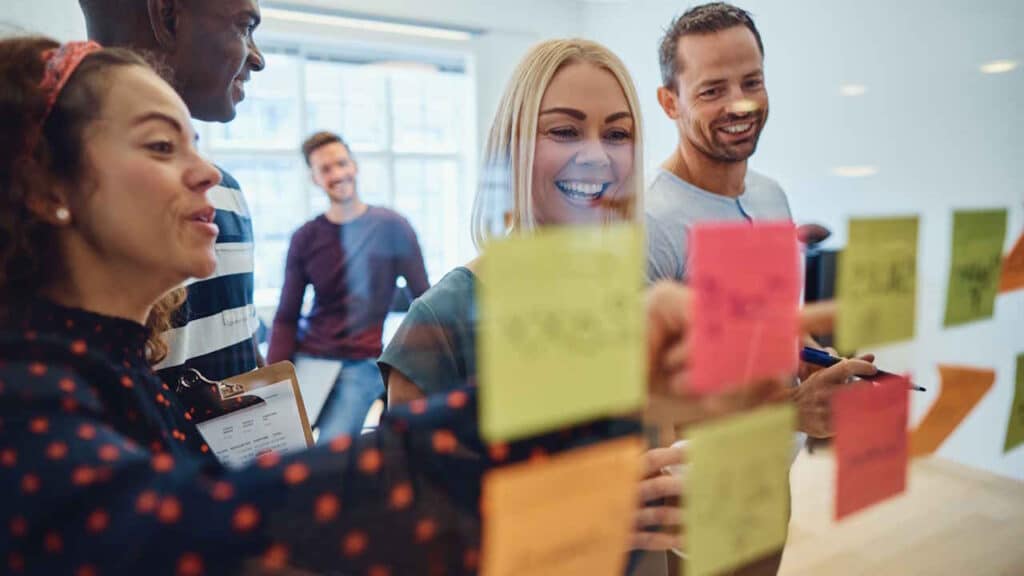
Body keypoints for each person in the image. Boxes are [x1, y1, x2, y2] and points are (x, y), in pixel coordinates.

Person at [0, 37, 745, 574]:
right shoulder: (32, 394)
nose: (205, 171)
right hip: (338, 365)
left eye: (619, 133)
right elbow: (207, 529)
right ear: (42, 186)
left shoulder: (116, 371)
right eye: (163, 147)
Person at [379, 39, 698, 575]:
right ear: (512, 148)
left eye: (617, 134)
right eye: (564, 130)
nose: (596, 154)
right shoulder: (441, 324)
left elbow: (657, 491)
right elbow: (411, 545)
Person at [645, 4, 877, 574]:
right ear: (670, 102)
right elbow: (649, 416)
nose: (740, 104)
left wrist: (815, 367)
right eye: (712, 90)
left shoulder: (772, 197)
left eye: (752, 82)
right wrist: (793, 413)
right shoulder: (652, 223)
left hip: (773, 469)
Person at [79, 0, 267, 386]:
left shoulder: (226, 191)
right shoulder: (73, 211)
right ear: (167, 17)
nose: (258, 59)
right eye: (244, 26)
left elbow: (245, 360)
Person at [267, 131, 430, 440]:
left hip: (361, 363)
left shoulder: (392, 226)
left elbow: (423, 299)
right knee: (284, 445)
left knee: (331, 447)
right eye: (326, 169)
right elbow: (286, 317)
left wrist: (413, 361)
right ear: (314, 178)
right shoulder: (306, 237)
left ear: (354, 166)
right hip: (311, 358)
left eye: (342, 163)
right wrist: (273, 383)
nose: (337, 174)